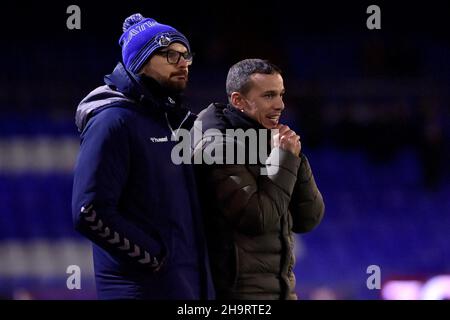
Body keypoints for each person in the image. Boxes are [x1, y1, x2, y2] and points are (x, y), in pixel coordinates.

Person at [72, 13, 214, 299]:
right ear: (141, 62)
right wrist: (156, 258)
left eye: (186, 55)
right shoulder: (113, 122)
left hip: (186, 289)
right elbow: (90, 212)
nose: (183, 63)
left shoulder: (170, 122)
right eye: (170, 55)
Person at [191, 59, 325, 300]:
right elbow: (257, 218)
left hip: (281, 291)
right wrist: (285, 158)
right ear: (238, 100)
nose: (280, 105)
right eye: (269, 96)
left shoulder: (270, 141)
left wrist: (295, 158)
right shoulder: (217, 147)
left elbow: (309, 218)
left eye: (281, 95)